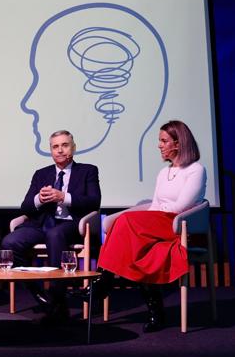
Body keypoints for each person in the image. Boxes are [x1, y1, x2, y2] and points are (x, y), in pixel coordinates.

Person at [79, 119, 206, 332]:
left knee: (126, 221)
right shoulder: (163, 173)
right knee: (136, 245)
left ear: (178, 143)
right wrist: (151, 216)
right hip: (157, 222)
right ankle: (156, 312)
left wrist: (151, 216)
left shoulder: (195, 170)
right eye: (160, 140)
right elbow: (156, 204)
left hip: (176, 225)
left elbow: (181, 207)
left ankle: (103, 283)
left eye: (164, 140)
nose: (159, 145)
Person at [1, 130, 101, 325]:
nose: (60, 150)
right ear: (51, 151)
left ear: (73, 148)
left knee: (55, 235)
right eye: (55, 147)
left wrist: (63, 197)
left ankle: (57, 296)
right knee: (9, 242)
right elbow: (26, 207)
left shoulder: (88, 170)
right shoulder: (41, 174)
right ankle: (38, 292)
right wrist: (40, 198)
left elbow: (94, 202)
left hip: (73, 224)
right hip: (41, 224)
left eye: (64, 145)